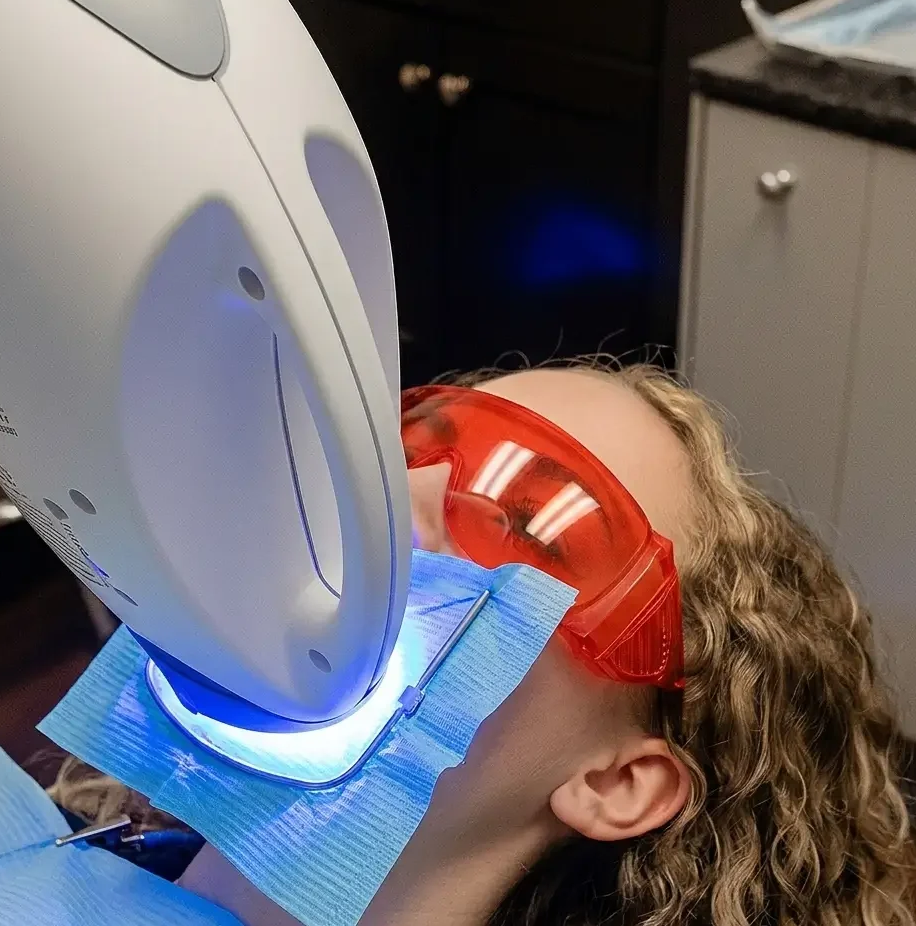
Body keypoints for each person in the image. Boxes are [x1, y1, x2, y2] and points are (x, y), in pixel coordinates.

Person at [50, 363, 916, 926]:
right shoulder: (51, 859)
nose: (399, 499)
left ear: (616, 784)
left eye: (532, 526)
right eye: (409, 449)